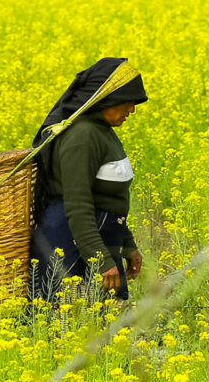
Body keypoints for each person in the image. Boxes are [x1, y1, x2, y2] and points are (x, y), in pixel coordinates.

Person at [29, 58, 147, 303]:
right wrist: (101, 260)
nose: (132, 109)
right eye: (128, 101)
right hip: (70, 248)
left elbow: (105, 200)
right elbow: (79, 205)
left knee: (97, 330)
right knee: (65, 327)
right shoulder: (82, 136)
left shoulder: (101, 130)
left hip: (95, 244)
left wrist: (127, 245)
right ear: (109, 97)